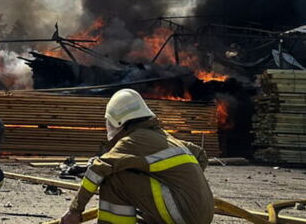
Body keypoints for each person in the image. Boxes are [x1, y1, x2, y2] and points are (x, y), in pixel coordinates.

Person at [60, 89, 213, 224]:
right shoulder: (164, 137)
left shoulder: (133, 140)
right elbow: (200, 155)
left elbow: (98, 169)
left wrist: (75, 210)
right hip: (202, 215)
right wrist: (183, 188)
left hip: (184, 215)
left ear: (120, 123)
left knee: (114, 177)